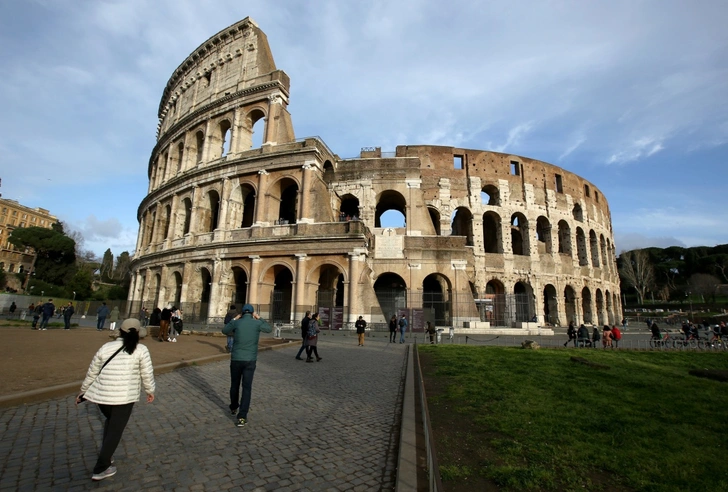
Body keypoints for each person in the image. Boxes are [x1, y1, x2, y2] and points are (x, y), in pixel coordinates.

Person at [76, 318, 155, 481]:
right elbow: (146, 374)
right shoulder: (140, 349)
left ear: (120, 331)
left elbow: (92, 372)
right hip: (123, 397)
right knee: (115, 431)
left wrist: (83, 392)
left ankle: (107, 454)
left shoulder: (106, 347)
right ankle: (101, 467)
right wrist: (150, 390)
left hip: (102, 397)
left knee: (111, 424)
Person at [222, 304, 272, 427]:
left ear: (242, 313)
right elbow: (269, 329)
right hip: (250, 360)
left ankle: (234, 407)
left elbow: (224, 331)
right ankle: (242, 416)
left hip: (236, 359)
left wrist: (234, 319)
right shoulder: (256, 323)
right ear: (252, 313)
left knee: (234, 384)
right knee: (247, 387)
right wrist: (259, 318)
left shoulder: (237, 323)